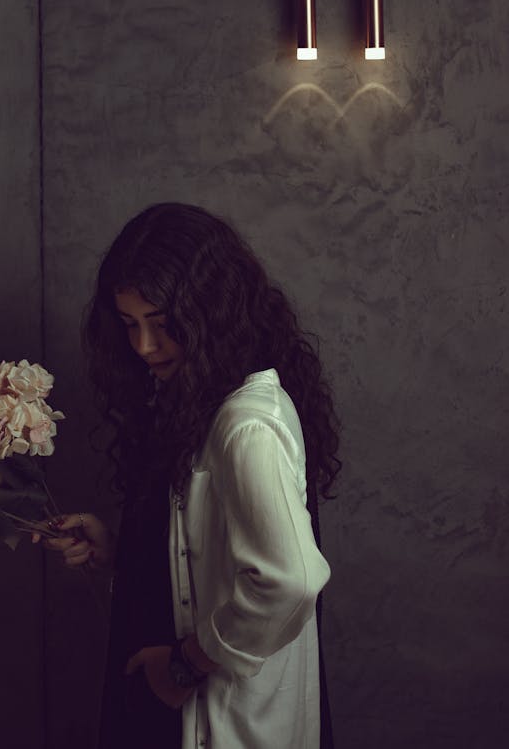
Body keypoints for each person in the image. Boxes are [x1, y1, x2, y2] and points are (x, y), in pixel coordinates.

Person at [42, 202, 340, 749]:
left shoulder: (245, 423)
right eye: (130, 325)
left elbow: (290, 579)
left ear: (212, 311)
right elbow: (204, 549)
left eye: (160, 324)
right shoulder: (202, 401)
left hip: (216, 720)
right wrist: (119, 549)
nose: (143, 347)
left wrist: (184, 664)